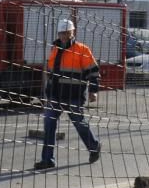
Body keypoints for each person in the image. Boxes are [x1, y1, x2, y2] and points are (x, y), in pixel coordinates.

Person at [35, 19, 100, 170]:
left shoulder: (82, 50)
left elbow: (94, 72)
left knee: (80, 124)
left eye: (67, 33)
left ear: (73, 33)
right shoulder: (55, 49)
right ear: (58, 33)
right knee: (49, 125)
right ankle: (47, 160)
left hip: (74, 96)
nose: (64, 36)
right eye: (61, 33)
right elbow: (50, 73)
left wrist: (93, 91)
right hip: (55, 95)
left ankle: (94, 146)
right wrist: (46, 93)